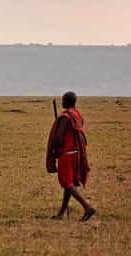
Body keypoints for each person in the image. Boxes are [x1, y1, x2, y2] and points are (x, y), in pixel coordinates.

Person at [46, 91, 96, 221]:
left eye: (63, 100)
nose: (62, 102)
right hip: (76, 153)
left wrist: (55, 149)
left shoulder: (65, 117)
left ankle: (87, 207)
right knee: (68, 183)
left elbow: (58, 138)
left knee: (67, 183)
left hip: (66, 154)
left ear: (67, 101)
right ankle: (61, 213)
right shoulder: (77, 114)